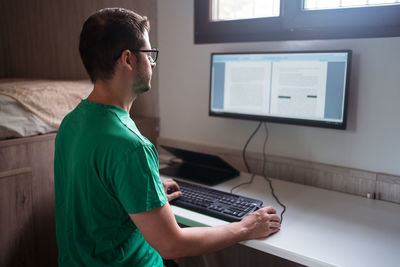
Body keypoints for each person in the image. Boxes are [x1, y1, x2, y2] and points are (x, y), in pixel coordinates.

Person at [54, 7, 281, 267]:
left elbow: (95, 197)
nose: (152, 63)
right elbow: (172, 245)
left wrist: (143, 194)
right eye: (149, 54)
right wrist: (246, 228)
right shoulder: (130, 146)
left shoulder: (71, 123)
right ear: (127, 59)